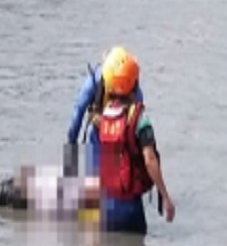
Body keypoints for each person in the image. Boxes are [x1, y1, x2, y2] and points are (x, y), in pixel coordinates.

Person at [96, 48, 175, 234]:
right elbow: (150, 159)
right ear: (134, 83)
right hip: (130, 207)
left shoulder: (105, 116)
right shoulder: (140, 118)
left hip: (106, 207)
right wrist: (165, 196)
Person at [65, 46, 145, 176]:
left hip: (100, 136)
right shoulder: (133, 88)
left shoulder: (95, 80)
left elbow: (78, 112)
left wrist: (71, 144)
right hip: (122, 142)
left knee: (95, 182)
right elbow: (139, 124)